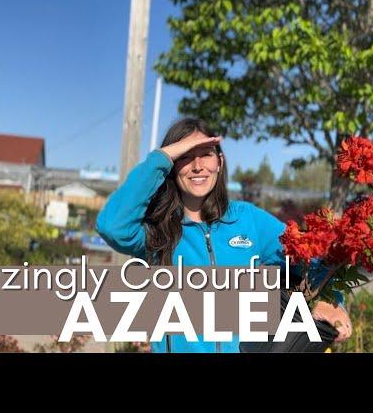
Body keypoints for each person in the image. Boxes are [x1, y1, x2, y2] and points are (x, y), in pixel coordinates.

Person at [96, 118, 352, 353]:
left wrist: (330, 302)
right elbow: (112, 226)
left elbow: (309, 263)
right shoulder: (159, 229)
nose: (197, 167)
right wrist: (161, 157)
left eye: (205, 154)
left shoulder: (248, 220)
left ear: (219, 161)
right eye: (185, 157)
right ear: (173, 167)